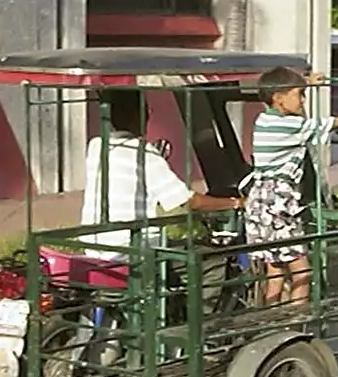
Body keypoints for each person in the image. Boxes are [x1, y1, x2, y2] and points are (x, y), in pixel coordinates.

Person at [247, 67, 338, 304]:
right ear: (279, 97)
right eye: (299, 95)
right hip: (278, 199)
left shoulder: (264, 119)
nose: (303, 100)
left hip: (259, 200)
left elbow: (283, 93)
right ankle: (295, 326)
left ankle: (270, 324)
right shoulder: (291, 126)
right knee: (302, 272)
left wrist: (306, 82)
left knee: (275, 272)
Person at [81, 90, 242, 259]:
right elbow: (187, 201)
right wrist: (237, 202)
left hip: (95, 247)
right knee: (213, 261)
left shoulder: (96, 145)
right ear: (137, 114)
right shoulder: (144, 152)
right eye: (146, 110)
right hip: (133, 252)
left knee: (183, 245)